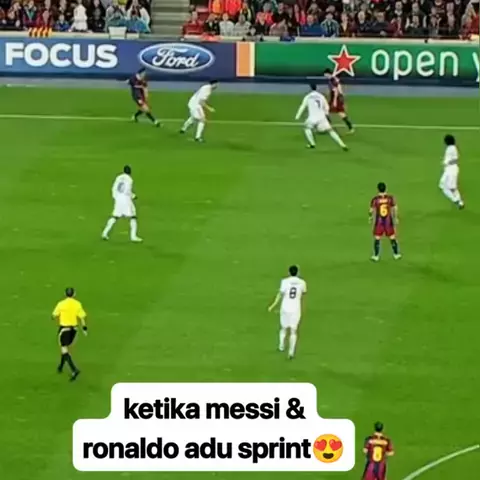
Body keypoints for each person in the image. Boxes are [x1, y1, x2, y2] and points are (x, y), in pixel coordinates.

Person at [268, 265, 307, 359]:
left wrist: (273, 305)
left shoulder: (284, 282)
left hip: (285, 307)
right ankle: (291, 352)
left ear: (289, 272)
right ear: (297, 272)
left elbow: (280, 294)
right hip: (295, 308)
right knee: (293, 331)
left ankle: (281, 346)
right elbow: (304, 292)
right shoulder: (302, 282)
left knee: (283, 328)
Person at [294, 84, 348, 150]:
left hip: (312, 117)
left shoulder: (308, 96)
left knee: (307, 128)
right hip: (322, 117)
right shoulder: (321, 96)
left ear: (310, 89)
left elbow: (302, 106)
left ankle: (312, 144)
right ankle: (343, 145)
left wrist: (297, 116)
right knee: (331, 131)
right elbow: (327, 106)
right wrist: (326, 114)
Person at [52, 287, 87, 381]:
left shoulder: (61, 304)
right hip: (74, 330)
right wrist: (84, 328)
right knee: (66, 349)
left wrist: (55, 318)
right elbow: (82, 317)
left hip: (64, 329)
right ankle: (60, 367)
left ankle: (74, 370)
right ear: (74, 294)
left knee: (64, 349)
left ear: (65, 294)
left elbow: (54, 315)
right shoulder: (77, 304)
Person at [101, 165, 143, 242]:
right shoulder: (129, 179)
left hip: (118, 199)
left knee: (115, 216)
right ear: (130, 172)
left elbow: (114, 188)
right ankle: (133, 237)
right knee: (133, 217)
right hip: (126, 200)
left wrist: (116, 197)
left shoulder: (119, 177)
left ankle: (105, 233)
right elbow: (127, 191)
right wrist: (133, 196)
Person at [369, 182, 401, 262]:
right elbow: (395, 208)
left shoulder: (375, 199)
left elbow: (371, 210)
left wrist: (371, 217)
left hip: (379, 221)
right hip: (388, 221)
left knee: (377, 238)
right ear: (386, 189)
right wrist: (395, 218)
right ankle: (396, 254)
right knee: (392, 237)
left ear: (377, 189)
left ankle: (376, 256)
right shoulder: (390, 198)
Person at [323, 68, 355, 133]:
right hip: (338, 98)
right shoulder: (335, 79)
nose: (324, 75)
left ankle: (328, 127)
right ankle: (351, 128)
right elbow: (339, 87)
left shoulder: (332, 80)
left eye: (325, 74)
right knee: (341, 113)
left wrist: (334, 101)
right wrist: (342, 97)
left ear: (328, 74)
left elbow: (335, 91)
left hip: (335, 98)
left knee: (326, 111)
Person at [439, 134, 464, 209]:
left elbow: (455, 159)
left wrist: (447, 163)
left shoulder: (452, 148)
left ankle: (457, 201)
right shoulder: (450, 148)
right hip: (448, 169)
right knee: (442, 185)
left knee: (451, 187)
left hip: (452, 169)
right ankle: (458, 201)